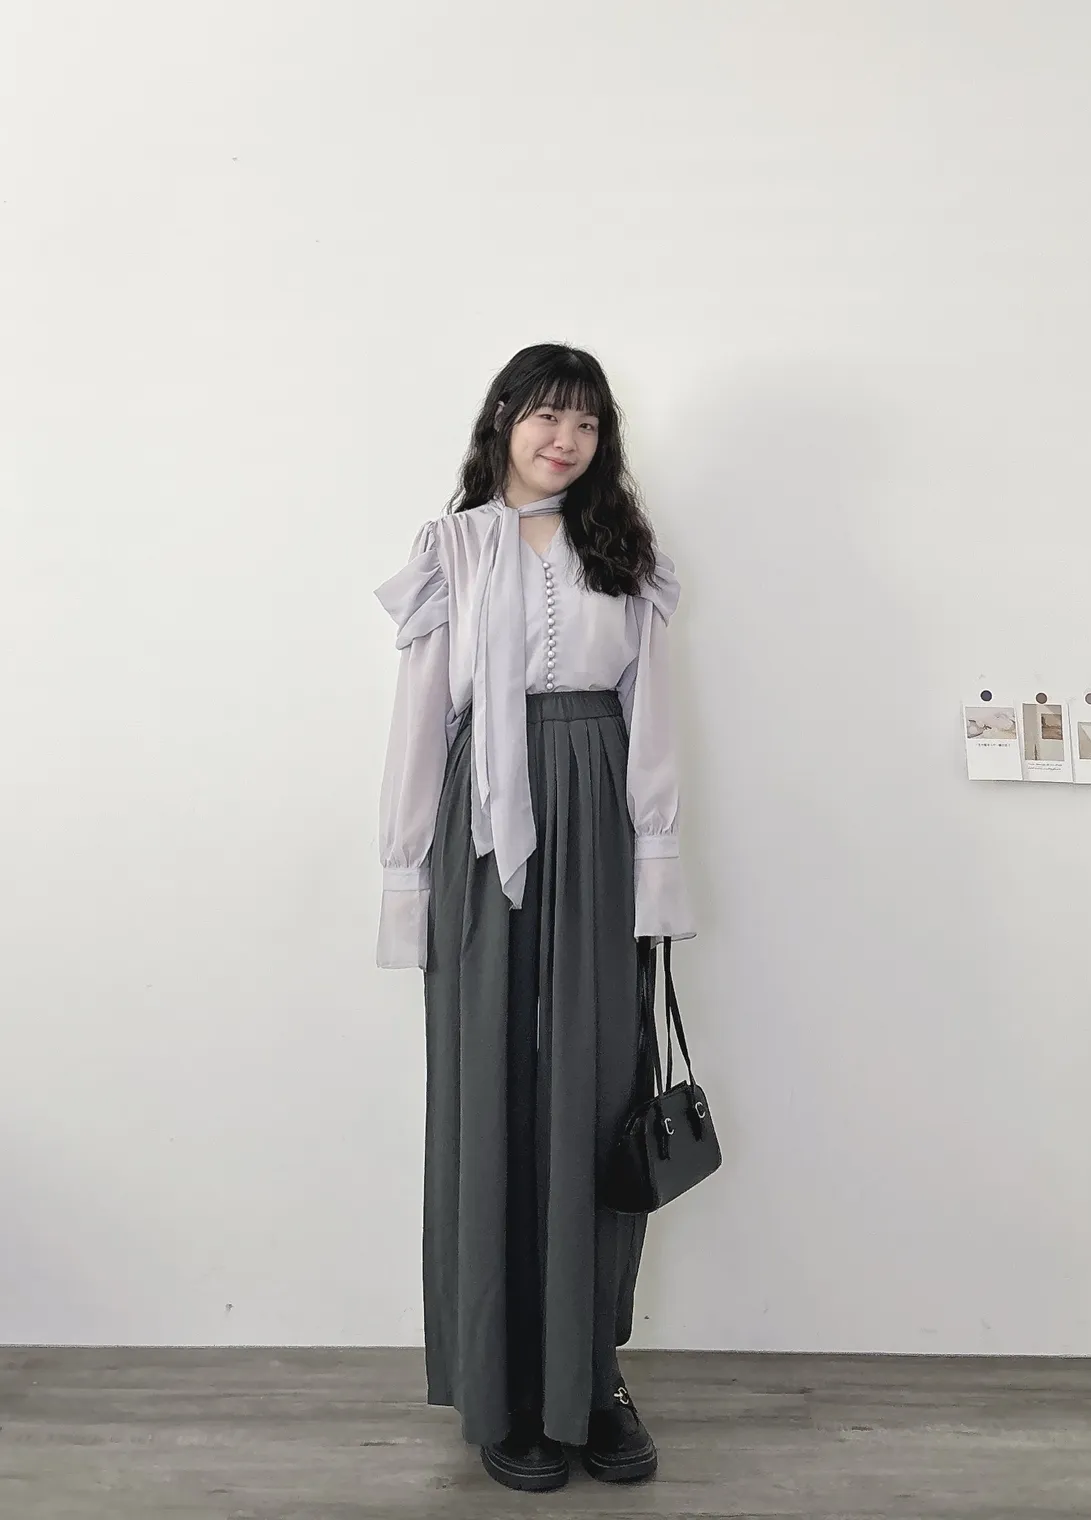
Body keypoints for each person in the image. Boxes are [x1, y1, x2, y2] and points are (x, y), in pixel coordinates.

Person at [372, 342, 696, 1493]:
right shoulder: (451, 550)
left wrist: (655, 862)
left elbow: (652, 716)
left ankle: (591, 1376)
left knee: (598, 1088)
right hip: (480, 831)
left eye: (588, 423)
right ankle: (503, 1384)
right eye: (548, 415)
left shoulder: (625, 553)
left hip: (598, 812)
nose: (566, 439)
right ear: (504, 418)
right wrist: (404, 877)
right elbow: (423, 720)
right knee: (486, 1086)